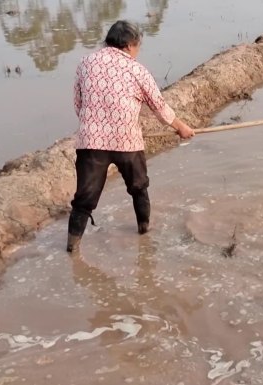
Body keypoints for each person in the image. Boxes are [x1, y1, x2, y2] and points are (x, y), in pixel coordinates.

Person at [67, 20, 195, 253]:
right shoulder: (136, 70)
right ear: (128, 45)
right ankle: (144, 233)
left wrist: (95, 124)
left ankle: (72, 247)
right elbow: (158, 105)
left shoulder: (85, 63)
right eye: (137, 46)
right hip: (127, 141)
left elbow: (78, 104)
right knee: (139, 188)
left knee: (84, 200)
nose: (137, 52)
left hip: (91, 143)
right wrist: (180, 127)